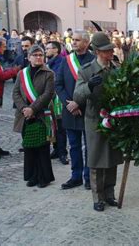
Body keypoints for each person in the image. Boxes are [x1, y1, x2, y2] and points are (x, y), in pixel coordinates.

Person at [73, 32, 124, 212]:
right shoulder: (86, 70)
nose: (110, 53)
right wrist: (89, 86)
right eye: (106, 50)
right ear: (97, 52)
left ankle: (110, 195)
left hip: (113, 119)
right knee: (96, 159)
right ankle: (98, 197)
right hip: (94, 120)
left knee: (112, 157)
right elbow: (77, 96)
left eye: (111, 50)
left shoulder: (116, 68)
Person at [56, 31, 95, 190]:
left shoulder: (94, 60)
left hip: (87, 110)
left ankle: (88, 177)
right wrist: (69, 104)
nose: (74, 42)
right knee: (74, 146)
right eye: (73, 40)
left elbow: (96, 87)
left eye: (78, 40)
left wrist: (78, 103)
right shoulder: (66, 61)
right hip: (70, 111)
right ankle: (76, 176)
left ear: (86, 42)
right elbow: (58, 84)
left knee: (90, 146)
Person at [13, 45, 55, 188]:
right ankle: (32, 176)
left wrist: (32, 109)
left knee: (42, 147)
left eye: (41, 55)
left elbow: (48, 94)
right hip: (24, 115)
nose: (38, 57)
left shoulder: (49, 73)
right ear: (29, 57)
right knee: (29, 147)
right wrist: (24, 108)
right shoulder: (22, 74)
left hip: (42, 115)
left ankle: (44, 177)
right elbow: (16, 93)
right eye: (35, 55)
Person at [46, 41, 68, 165]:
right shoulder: (48, 62)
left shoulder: (61, 62)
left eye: (48, 48)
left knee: (60, 127)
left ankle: (62, 152)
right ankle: (55, 149)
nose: (46, 51)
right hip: (49, 98)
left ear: (55, 50)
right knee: (51, 125)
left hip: (58, 98)